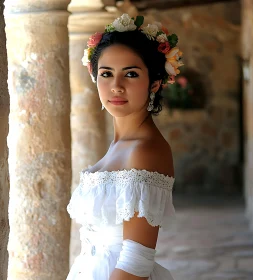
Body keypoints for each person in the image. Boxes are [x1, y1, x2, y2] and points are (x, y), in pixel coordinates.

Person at [67, 13, 183, 280]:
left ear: (154, 83)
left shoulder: (146, 150)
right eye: (106, 73)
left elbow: (136, 261)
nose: (116, 86)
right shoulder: (119, 144)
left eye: (131, 74)